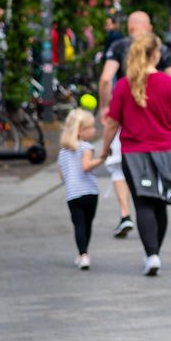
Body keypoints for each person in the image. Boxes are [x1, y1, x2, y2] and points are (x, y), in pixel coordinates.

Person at [101, 33, 171, 275]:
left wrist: (104, 150)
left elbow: (113, 123)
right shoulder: (169, 84)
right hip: (167, 152)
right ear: (156, 54)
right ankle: (155, 252)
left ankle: (152, 254)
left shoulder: (125, 84)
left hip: (134, 154)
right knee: (160, 204)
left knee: (143, 203)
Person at [98, 11, 171, 241]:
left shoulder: (118, 47)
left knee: (121, 170)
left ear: (129, 27)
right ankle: (153, 243)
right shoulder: (161, 53)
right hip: (162, 140)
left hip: (128, 124)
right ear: (147, 26)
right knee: (156, 195)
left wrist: (104, 108)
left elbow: (106, 79)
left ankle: (124, 213)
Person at [58, 107, 106, 271]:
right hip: (90, 191)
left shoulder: (63, 152)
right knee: (88, 223)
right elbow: (86, 166)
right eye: (90, 128)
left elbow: (62, 175)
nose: (94, 130)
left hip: (72, 193)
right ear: (80, 131)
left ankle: (82, 254)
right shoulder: (86, 147)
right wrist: (100, 159)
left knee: (78, 224)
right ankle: (85, 253)